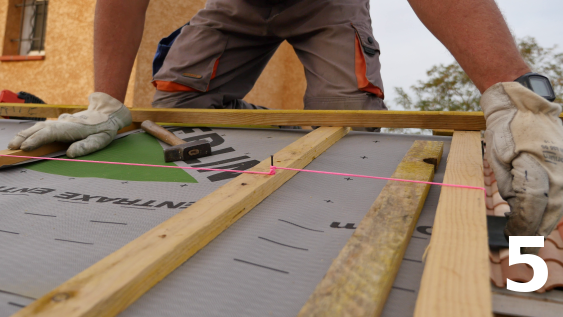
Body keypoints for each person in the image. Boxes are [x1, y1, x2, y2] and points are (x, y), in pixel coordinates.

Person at [8, 0, 563, 252]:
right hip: (239, 5)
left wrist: (513, 94)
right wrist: (106, 100)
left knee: (348, 119)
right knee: (177, 99)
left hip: (327, 4)